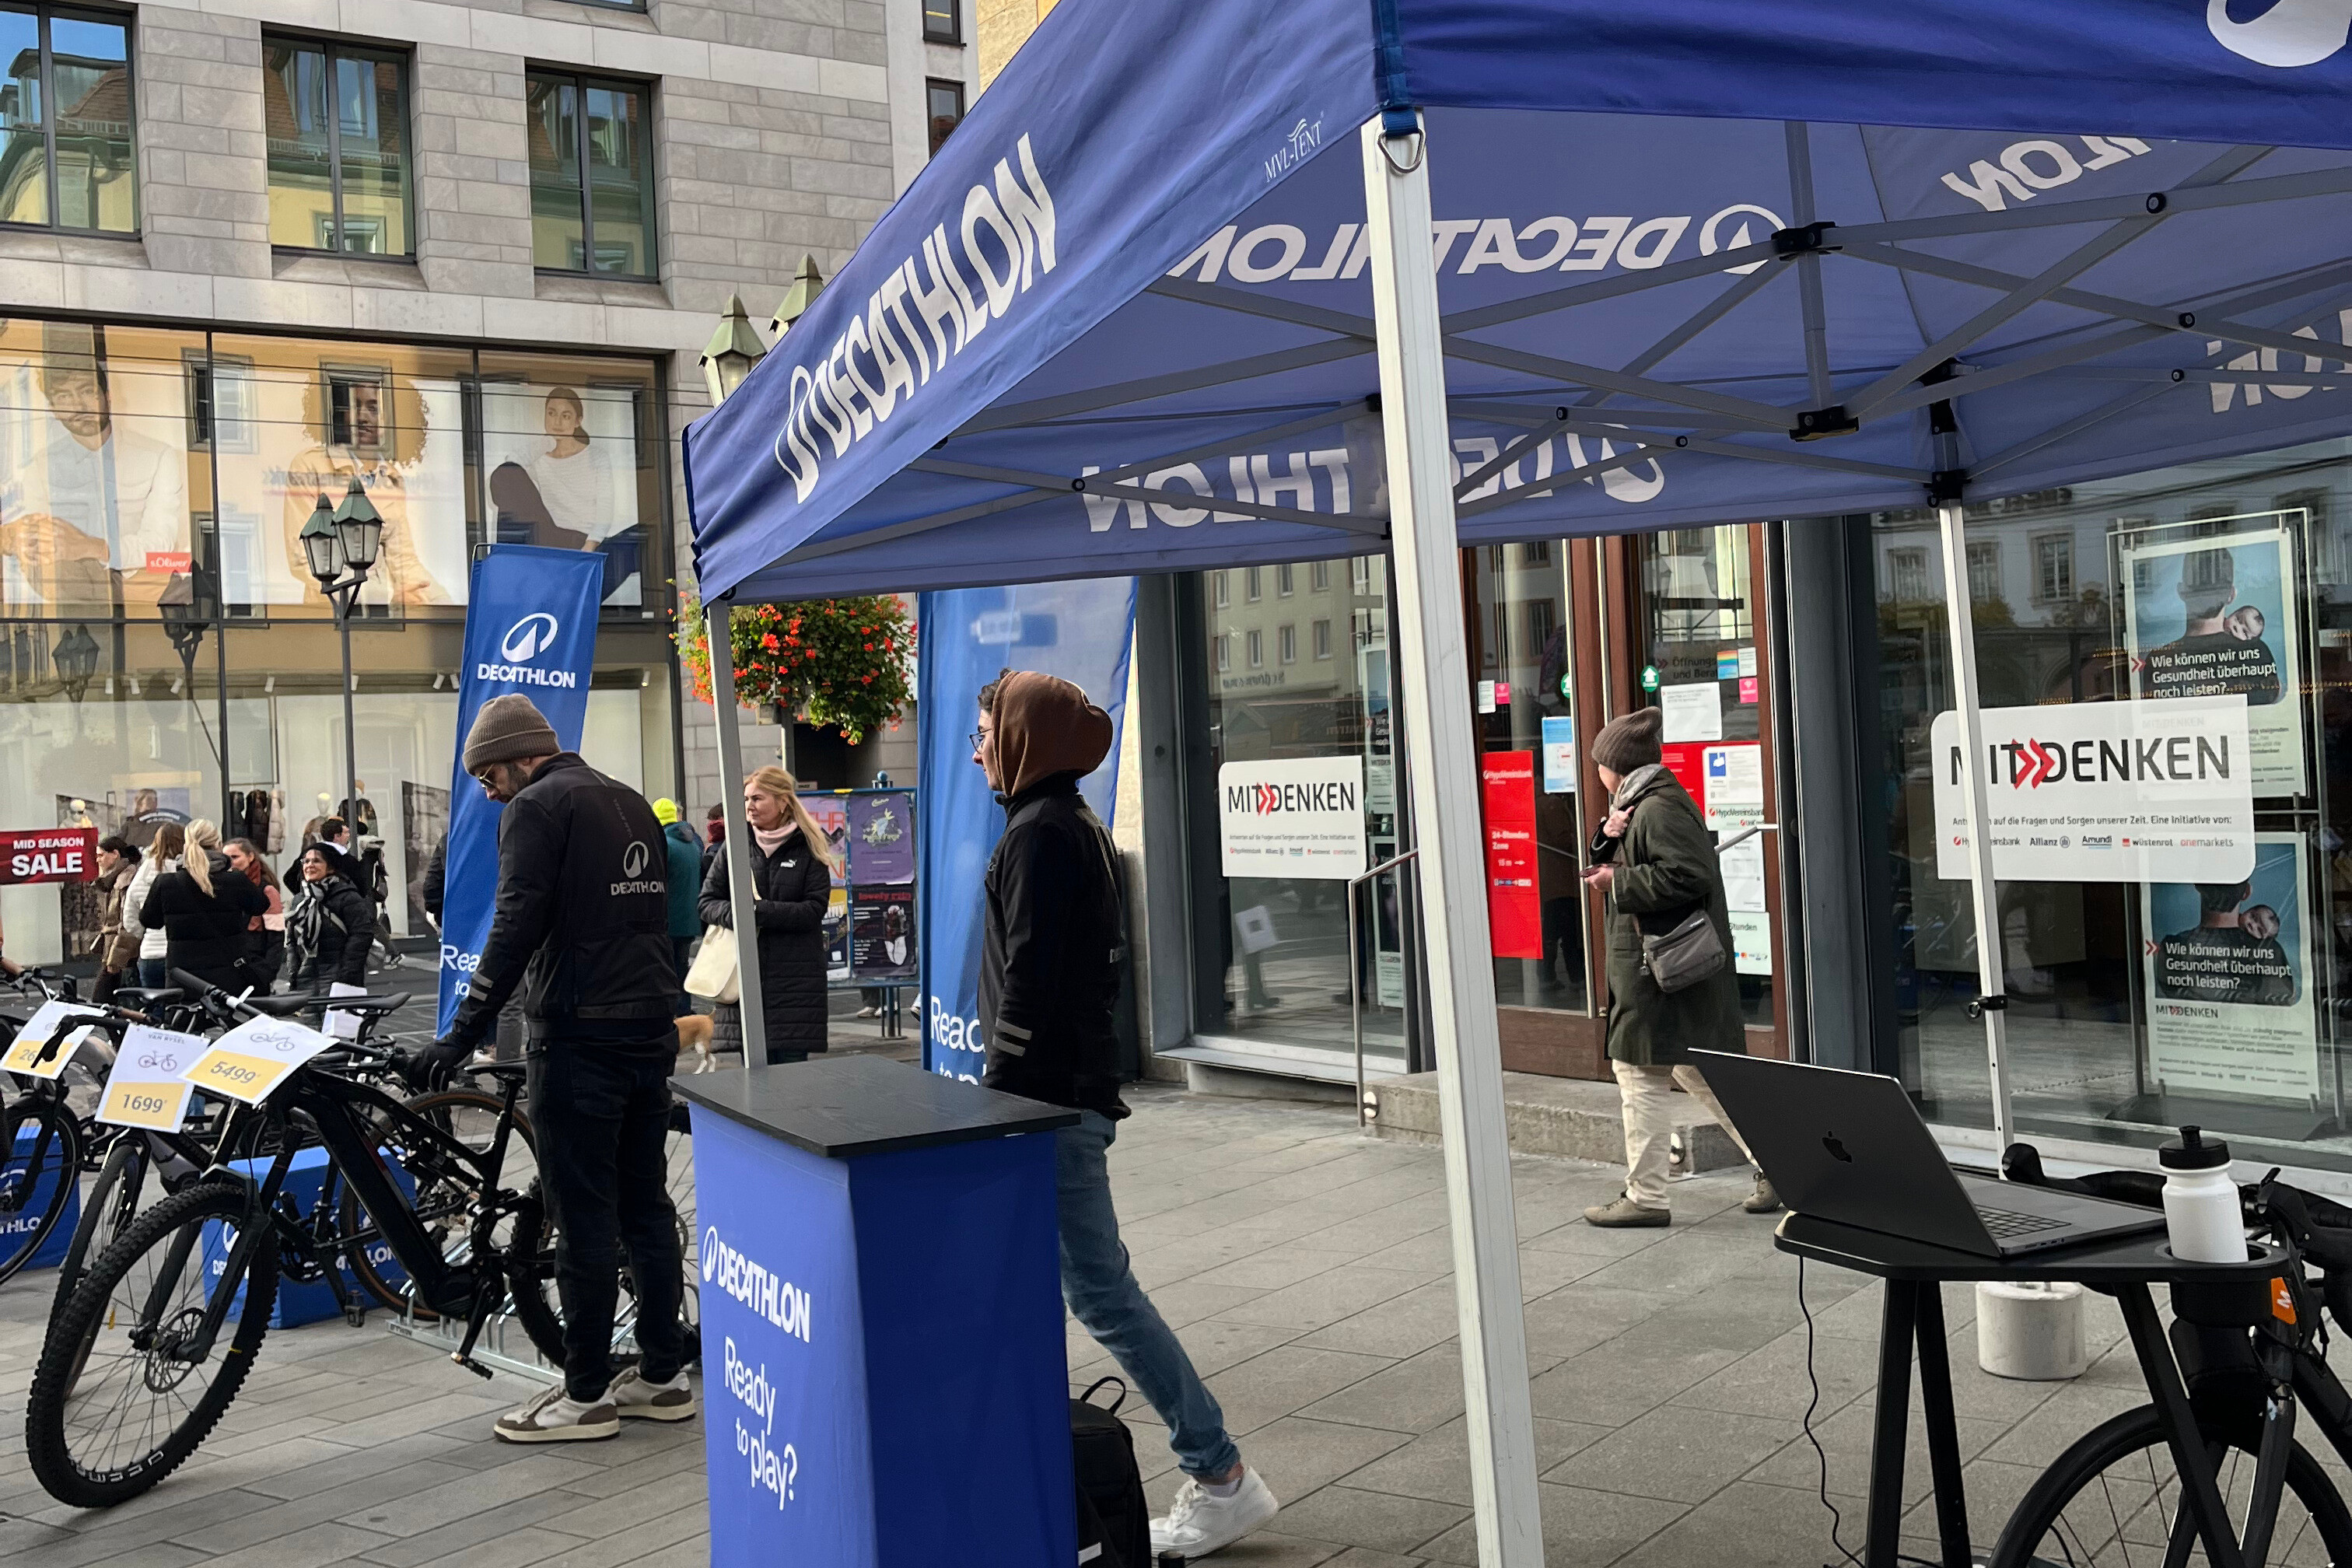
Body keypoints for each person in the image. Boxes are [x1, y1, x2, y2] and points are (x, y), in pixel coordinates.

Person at [974, 670, 1279, 1561]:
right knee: (1069, 1288)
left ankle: (1221, 1476)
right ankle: (1045, 1468)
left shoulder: (1041, 834)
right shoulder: (1065, 824)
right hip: (1054, 1097)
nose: (979, 749)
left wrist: (999, 1085)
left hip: (1044, 1103)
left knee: (1102, 1295)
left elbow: (1030, 978)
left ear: (1023, 738)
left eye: (986, 732)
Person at [414, 693, 690, 1443]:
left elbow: (515, 924)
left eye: (488, 777)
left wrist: (459, 1033)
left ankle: (586, 1395)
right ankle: (663, 1377)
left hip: (577, 1035)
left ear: (518, 759)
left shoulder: (536, 807)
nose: (488, 793)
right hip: (648, 1028)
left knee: (584, 1217)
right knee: (645, 1206)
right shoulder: (629, 800)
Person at [1577, 708, 1773, 1228]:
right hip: (1660, 969)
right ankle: (1780, 1165)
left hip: (1658, 972)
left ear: (1616, 766)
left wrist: (1615, 883)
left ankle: (1645, 1197)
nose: (1597, 772)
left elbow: (1688, 874)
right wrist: (1607, 838)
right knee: (1695, 1071)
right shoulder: (1640, 803)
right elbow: (1653, 861)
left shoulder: (1658, 808)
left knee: (1638, 1072)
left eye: (1599, 763)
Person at [698, 766, 835, 1064]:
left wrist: (759, 911)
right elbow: (707, 903)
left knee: (789, 1079)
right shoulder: (735, 846)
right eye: (747, 799)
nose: (749, 806)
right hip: (743, 979)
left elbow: (813, 910)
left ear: (783, 801)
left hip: (794, 985)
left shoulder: (808, 846)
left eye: (758, 798)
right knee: (754, 1078)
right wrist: (740, 914)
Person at [138, 819, 268, 994]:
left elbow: (150, 921)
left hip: (183, 979)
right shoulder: (235, 881)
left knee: (183, 1013)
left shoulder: (166, 883)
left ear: (186, 844)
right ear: (218, 844)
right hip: (229, 977)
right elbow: (261, 905)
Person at [287, 842, 375, 992]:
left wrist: (346, 974)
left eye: (317, 861)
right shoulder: (300, 901)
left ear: (331, 868)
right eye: (306, 861)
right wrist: (293, 974)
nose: (310, 865)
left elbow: (362, 935)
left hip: (339, 980)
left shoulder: (347, 897)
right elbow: (292, 942)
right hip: (305, 981)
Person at [653, 799, 702, 1017]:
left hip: (668, 919)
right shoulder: (691, 844)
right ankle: (684, 1009)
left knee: (666, 968)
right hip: (689, 919)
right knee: (681, 966)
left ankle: (672, 1012)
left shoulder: (664, 844)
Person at [122, 822, 184, 989]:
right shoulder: (189, 872)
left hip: (150, 954)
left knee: (155, 1003)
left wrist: (145, 933)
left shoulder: (143, 873)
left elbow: (130, 917)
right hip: (181, 954)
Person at [226, 838, 286, 992]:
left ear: (250, 857)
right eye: (226, 858)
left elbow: (276, 938)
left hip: (257, 969)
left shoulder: (267, 891)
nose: (230, 862)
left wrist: (267, 974)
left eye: (235, 857)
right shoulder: (226, 888)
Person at [90, 836, 138, 1003]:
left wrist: (116, 959)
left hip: (122, 953)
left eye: (101, 855)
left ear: (115, 854)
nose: (98, 860)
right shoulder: (114, 879)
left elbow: (127, 922)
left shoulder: (126, 880)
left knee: (102, 1000)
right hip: (115, 951)